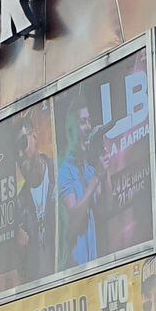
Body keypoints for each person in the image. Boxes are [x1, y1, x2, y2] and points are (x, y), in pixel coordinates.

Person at [58, 92, 109, 270]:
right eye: (82, 122)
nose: (88, 127)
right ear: (70, 131)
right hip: (71, 274)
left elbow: (105, 206)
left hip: (92, 269)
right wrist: (96, 178)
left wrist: (104, 168)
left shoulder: (88, 168)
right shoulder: (64, 170)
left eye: (89, 121)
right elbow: (75, 217)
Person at [15, 111, 56, 281]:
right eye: (15, 150)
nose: (20, 155)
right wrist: (19, 248)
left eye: (23, 143)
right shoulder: (19, 203)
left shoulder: (58, 173)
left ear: (35, 137)